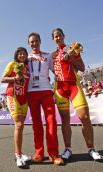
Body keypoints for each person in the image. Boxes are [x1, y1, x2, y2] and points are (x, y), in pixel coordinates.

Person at [51, 28, 103, 161]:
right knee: (65, 119)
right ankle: (68, 149)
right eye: (55, 37)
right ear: (53, 40)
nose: (58, 38)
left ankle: (91, 149)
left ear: (63, 36)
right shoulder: (51, 55)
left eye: (59, 35)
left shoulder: (72, 49)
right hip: (60, 88)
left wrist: (70, 58)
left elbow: (82, 67)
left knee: (85, 117)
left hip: (74, 85)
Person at [27, 32, 64, 165]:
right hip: (31, 92)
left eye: (36, 41)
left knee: (51, 122)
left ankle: (54, 154)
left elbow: (57, 71)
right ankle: (39, 153)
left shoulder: (48, 56)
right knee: (36, 124)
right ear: (29, 44)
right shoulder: (26, 57)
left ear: (40, 41)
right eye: (32, 42)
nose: (34, 43)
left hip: (46, 91)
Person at [1, 47, 31, 168]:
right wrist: (15, 78)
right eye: (20, 53)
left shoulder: (28, 68)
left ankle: (20, 153)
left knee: (21, 126)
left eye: (24, 53)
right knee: (18, 125)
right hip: (12, 95)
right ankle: (18, 156)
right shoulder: (12, 64)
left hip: (24, 99)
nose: (22, 55)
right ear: (16, 55)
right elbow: (2, 79)